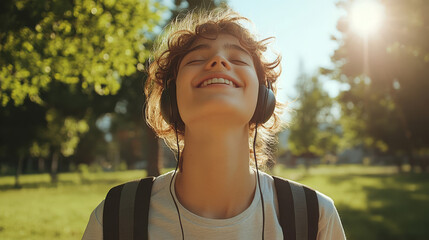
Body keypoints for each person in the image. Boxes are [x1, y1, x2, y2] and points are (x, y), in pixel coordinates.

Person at [82, 8, 346, 240]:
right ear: (171, 98)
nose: (218, 61)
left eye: (238, 59)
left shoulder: (315, 218)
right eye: (197, 59)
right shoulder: (115, 218)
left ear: (263, 98)